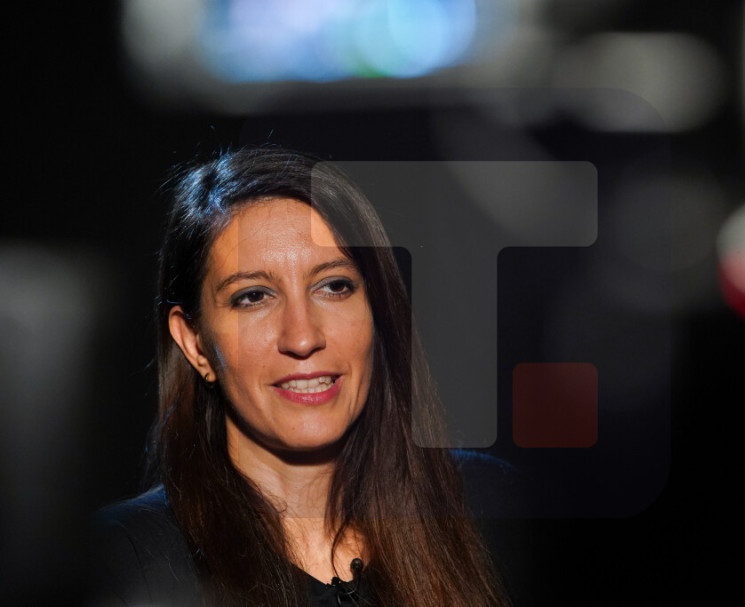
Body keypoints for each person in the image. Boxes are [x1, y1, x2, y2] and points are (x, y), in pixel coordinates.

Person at [91, 146, 513, 606]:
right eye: (253, 297)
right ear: (194, 343)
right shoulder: (128, 558)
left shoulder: (488, 507)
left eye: (334, 286)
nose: (303, 336)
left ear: (378, 309)